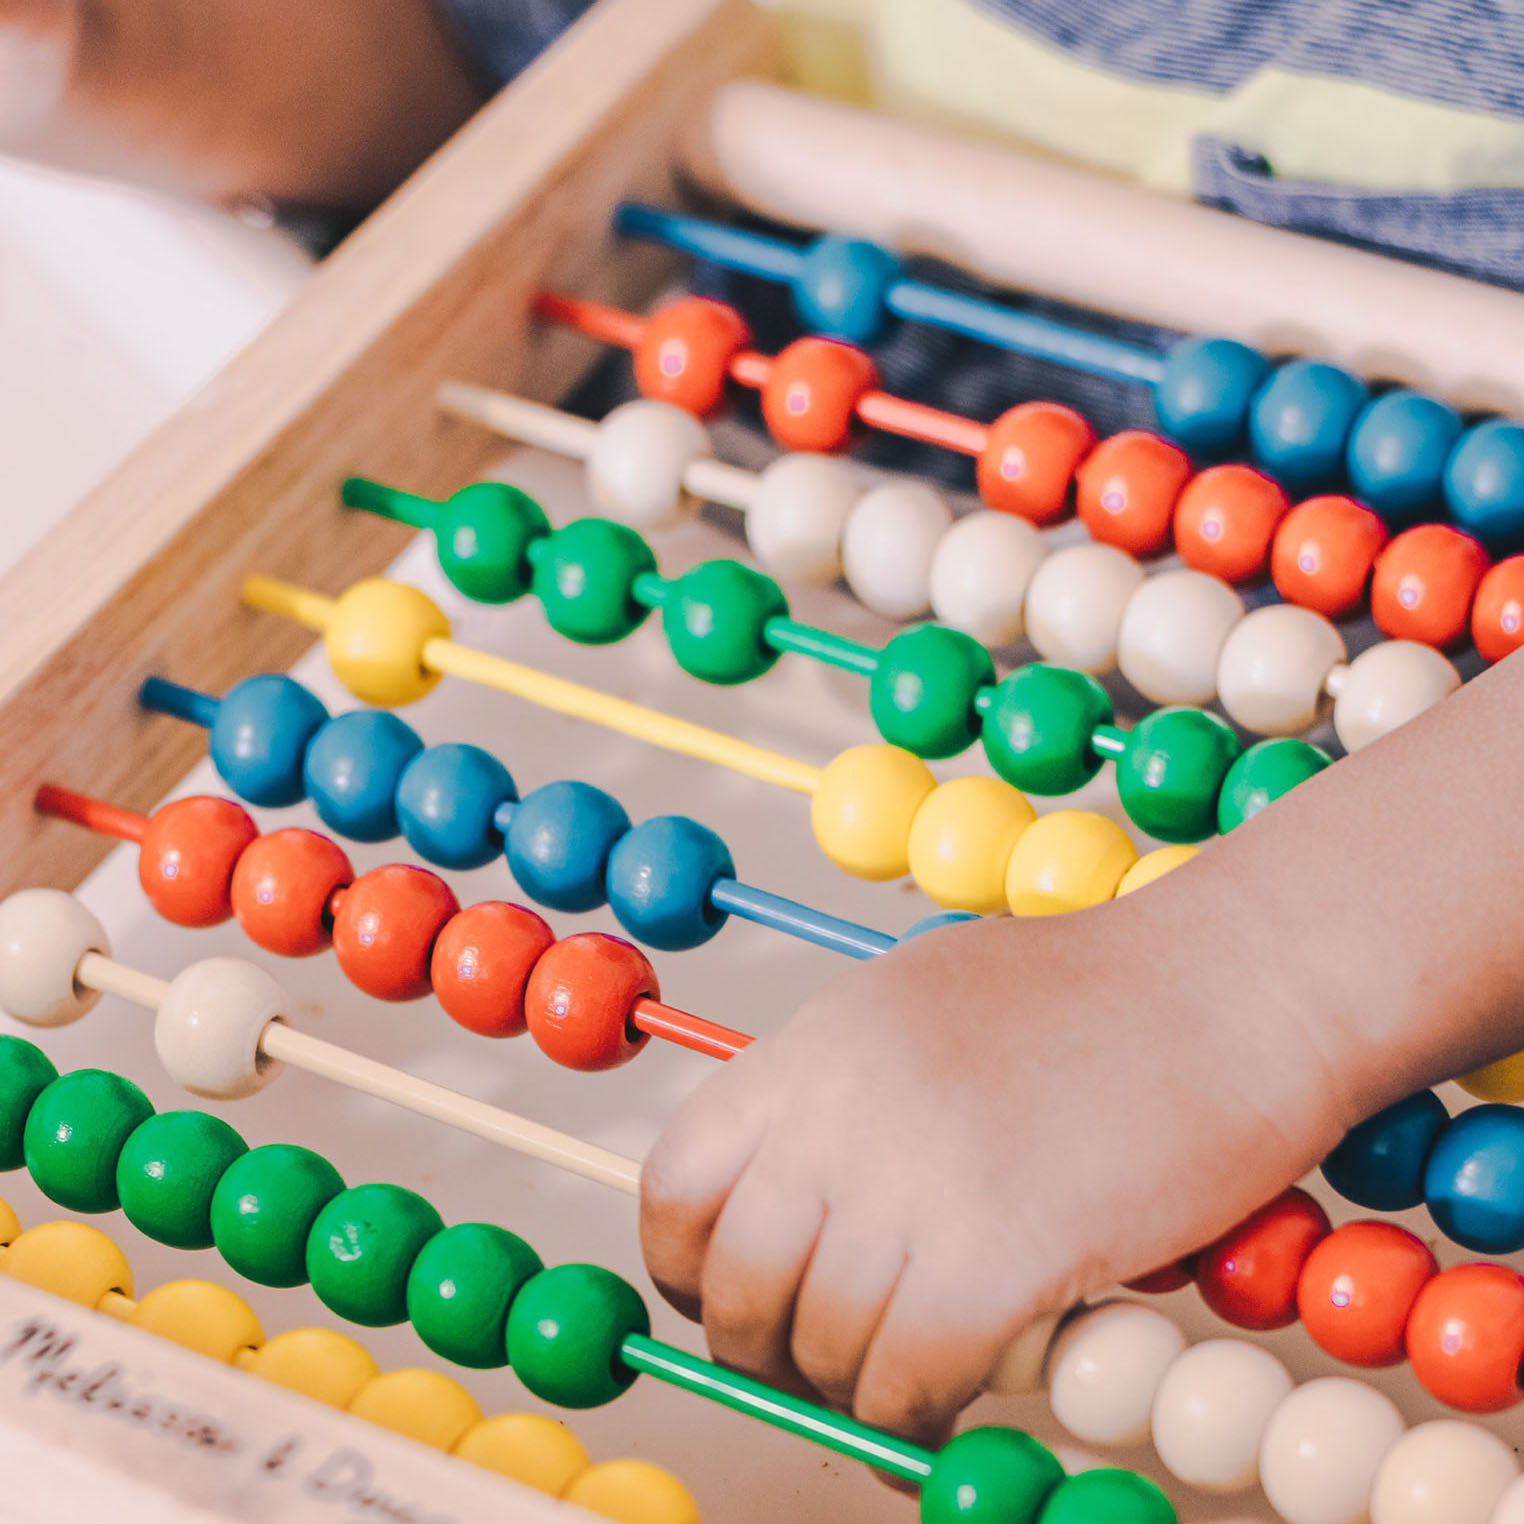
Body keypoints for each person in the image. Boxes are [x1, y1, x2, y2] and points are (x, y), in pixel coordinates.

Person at [5, 0, 1523, 1458]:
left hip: (1351, 904)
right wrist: (128, 50)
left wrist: (1246, 984)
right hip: (859, 614)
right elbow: (496, 62)